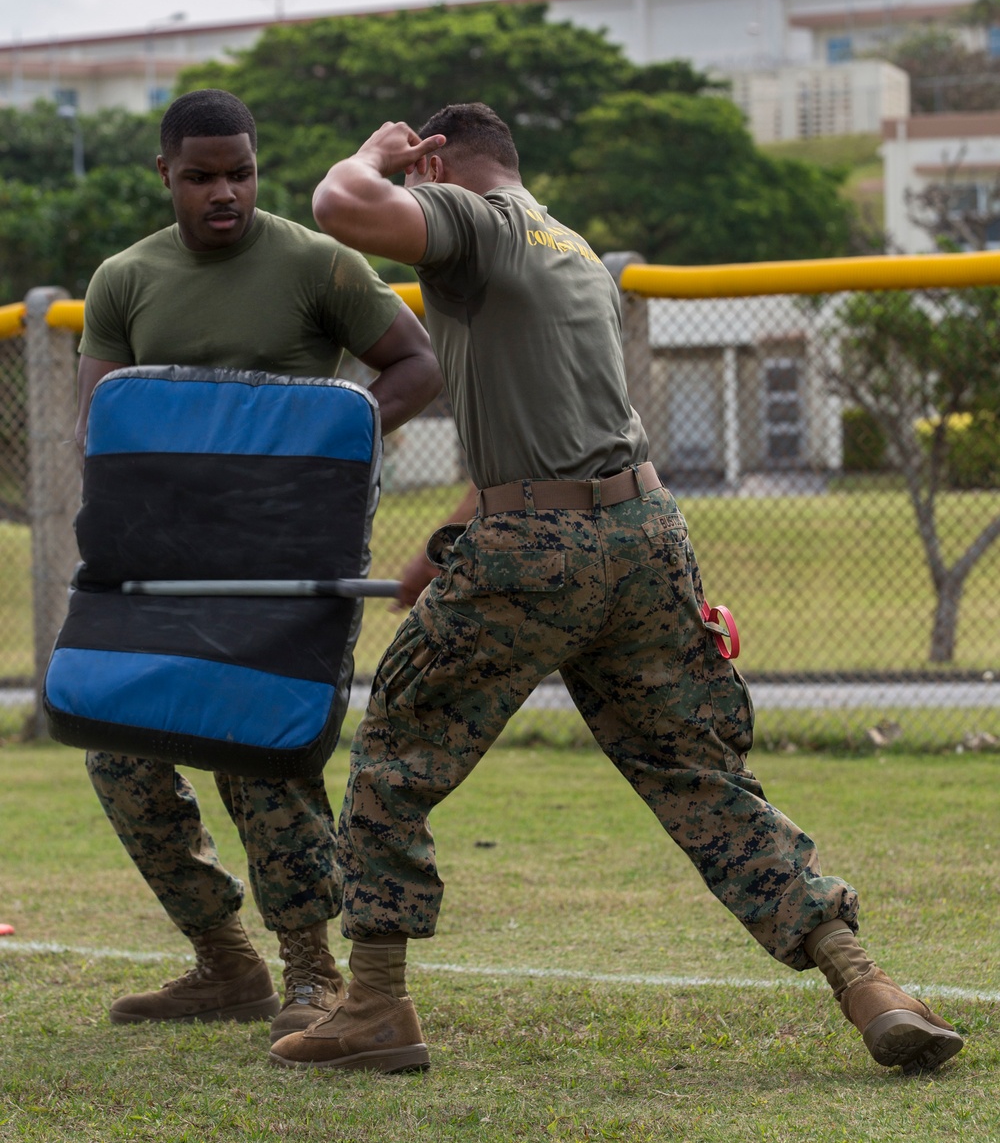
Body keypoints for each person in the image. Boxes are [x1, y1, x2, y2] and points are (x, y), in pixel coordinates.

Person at [269, 101, 964, 1077]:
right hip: (641, 536)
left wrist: (375, 155)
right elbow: (559, 422)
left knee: (394, 758)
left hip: (535, 549)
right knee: (697, 779)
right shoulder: (571, 249)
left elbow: (341, 204)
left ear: (440, 167)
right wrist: (454, 530)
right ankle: (866, 983)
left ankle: (375, 1006)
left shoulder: (478, 221)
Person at [74, 89, 441, 1044]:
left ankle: (312, 973)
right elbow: (98, 425)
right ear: (166, 176)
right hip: (164, 559)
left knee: (264, 759)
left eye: (239, 173)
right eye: (201, 178)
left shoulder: (317, 262)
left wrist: (323, 440)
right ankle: (225, 962)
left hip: (284, 557)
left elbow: (415, 365)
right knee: (120, 752)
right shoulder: (122, 280)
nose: (223, 193)